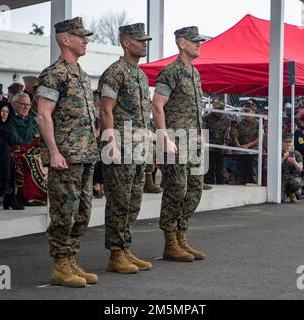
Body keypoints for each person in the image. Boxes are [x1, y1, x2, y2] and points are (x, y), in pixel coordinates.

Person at [37, 17, 99, 288]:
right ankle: (60, 266)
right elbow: (43, 115)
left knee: (82, 212)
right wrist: (53, 152)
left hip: (85, 154)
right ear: (65, 40)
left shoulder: (82, 75)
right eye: (80, 36)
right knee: (64, 212)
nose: (85, 40)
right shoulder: (54, 73)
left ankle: (71, 259)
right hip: (65, 157)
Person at [99, 22, 152, 273]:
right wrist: (110, 142)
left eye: (145, 40)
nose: (144, 44)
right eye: (139, 40)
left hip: (139, 148)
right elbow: (105, 109)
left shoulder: (140, 75)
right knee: (119, 201)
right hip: (119, 147)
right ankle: (115, 254)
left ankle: (126, 248)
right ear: (126, 42)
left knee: (134, 201)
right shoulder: (115, 72)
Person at [152, 26, 206, 262]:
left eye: (199, 41)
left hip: (193, 141)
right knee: (176, 190)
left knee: (194, 191)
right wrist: (163, 137)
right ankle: (170, 242)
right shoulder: (170, 72)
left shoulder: (194, 73)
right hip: (176, 142)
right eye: (194, 41)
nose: (198, 44)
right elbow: (157, 105)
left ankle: (182, 237)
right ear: (182, 43)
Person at [8, 93, 47, 206]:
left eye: (28, 105)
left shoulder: (32, 120)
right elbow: (14, 138)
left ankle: (45, 195)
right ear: (14, 104)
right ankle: (30, 197)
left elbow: (39, 136)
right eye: (23, 104)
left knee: (45, 157)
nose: (26, 107)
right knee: (32, 160)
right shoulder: (11, 120)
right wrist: (31, 146)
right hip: (18, 150)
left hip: (33, 150)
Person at [203, 98, 231, 185]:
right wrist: (204, 143)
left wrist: (226, 145)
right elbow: (203, 130)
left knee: (220, 167)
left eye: (219, 109)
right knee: (209, 167)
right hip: (209, 145)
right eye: (216, 109)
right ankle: (209, 183)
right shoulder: (207, 117)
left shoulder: (226, 118)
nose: (218, 112)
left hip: (220, 145)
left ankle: (220, 183)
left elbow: (227, 133)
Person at [233, 105, 259, 184]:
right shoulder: (240, 123)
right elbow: (235, 135)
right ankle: (240, 181)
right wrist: (238, 145)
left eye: (249, 112)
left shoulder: (258, 122)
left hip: (253, 148)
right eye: (245, 112)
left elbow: (260, 138)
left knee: (253, 167)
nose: (247, 114)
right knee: (241, 166)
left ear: (253, 112)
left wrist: (248, 145)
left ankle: (254, 182)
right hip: (242, 148)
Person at [281, 134, 304, 203]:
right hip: (282, 177)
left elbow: (300, 169)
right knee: (280, 199)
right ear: (282, 143)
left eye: (290, 142)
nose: (288, 144)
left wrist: (294, 161)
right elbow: (274, 167)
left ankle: (291, 192)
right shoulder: (279, 152)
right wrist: (283, 159)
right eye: (286, 142)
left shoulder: (296, 153)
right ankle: (287, 193)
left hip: (293, 176)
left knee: (297, 183)